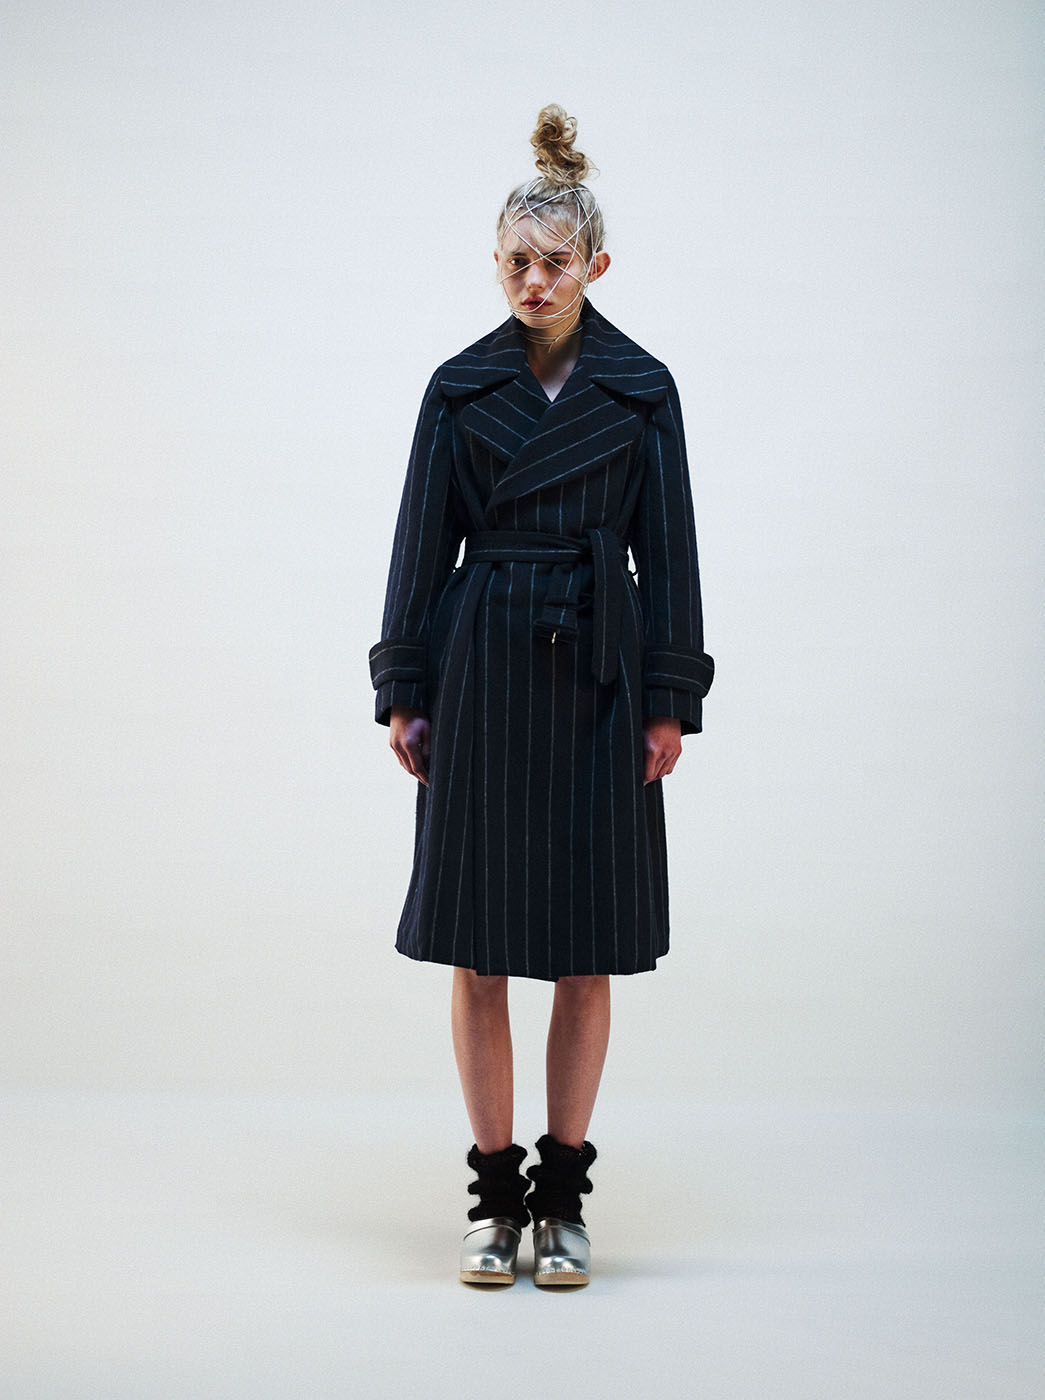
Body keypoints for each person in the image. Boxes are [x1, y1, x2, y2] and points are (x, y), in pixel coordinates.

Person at [369, 105, 713, 1287]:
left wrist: (667, 699)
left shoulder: (642, 389)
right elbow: (421, 545)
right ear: (496, 261)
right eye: (516, 259)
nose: (533, 280)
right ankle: (492, 1192)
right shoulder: (458, 389)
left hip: (601, 675)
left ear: (596, 266)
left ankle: (562, 1197)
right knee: (476, 945)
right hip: (481, 672)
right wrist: (404, 686)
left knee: (585, 942)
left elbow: (671, 554)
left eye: (555, 261)